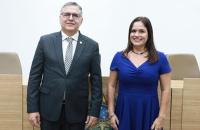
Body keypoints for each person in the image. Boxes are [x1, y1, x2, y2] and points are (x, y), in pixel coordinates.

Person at [27, 2, 102, 130]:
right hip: (48, 110)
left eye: (75, 15)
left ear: (81, 20)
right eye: (66, 14)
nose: (71, 18)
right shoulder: (45, 41)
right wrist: (33, 109)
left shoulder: (92, 46)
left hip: (78, 112)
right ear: (60, 17)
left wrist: (94, 111)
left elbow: (96, 81)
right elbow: (35, 76)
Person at [107, 16, 171, 130]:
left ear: (149, 34)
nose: (136, 34)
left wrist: (161, 117)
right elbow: (111, 85)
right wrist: (111, 113)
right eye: (133, 31)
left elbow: (166, 89)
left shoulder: (160, 58)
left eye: (141, 31)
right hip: (124, 112)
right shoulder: (118, 57)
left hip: (149, 112)